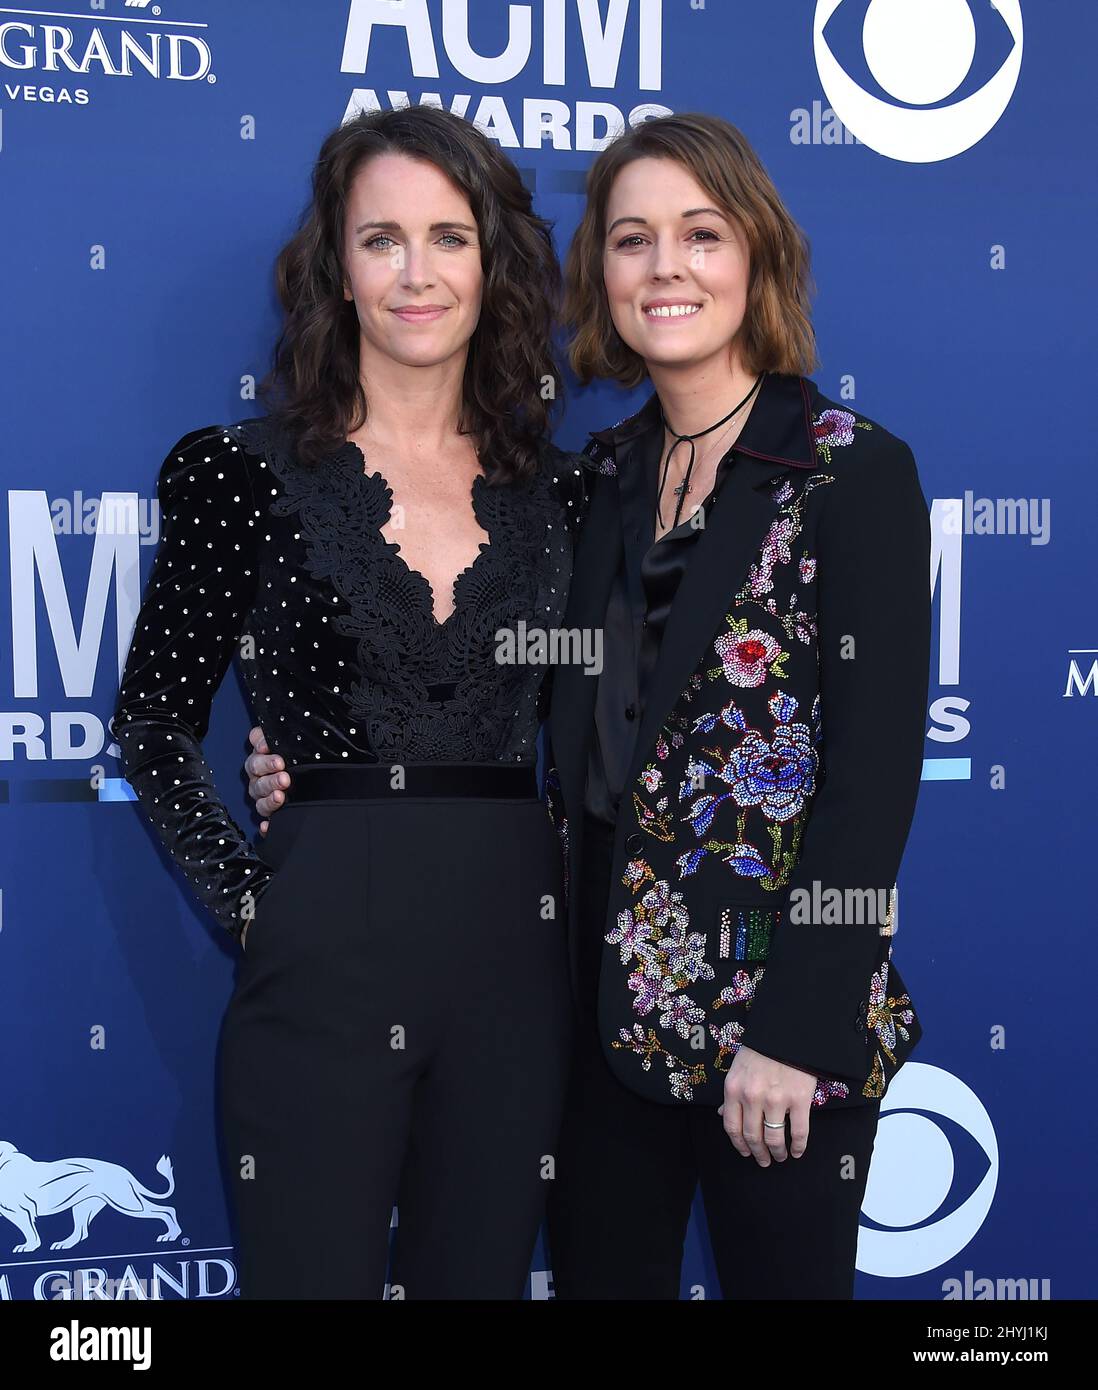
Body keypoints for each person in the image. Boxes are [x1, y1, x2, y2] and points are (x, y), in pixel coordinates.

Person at [246, 111, 931, 1300]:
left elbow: (874, 786)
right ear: (597, 276)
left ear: (756, 255)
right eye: (631, 239)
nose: (665, 266)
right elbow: (526, 671)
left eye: (700, 233)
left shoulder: (847, 469)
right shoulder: (600, 480)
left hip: (776, 1032)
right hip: (597, 1029)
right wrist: (320, 743)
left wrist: (800, 1031)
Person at [110, 105, 588, 1300]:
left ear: (496, 262)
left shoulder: (574, 498)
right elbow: (154, 721)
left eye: (450, 237)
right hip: (319, 956)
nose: (417, 273)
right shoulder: (237, 471)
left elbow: (603, 739)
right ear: (337, 265)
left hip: (516, 964)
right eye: (382, 239)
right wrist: (254, 903)